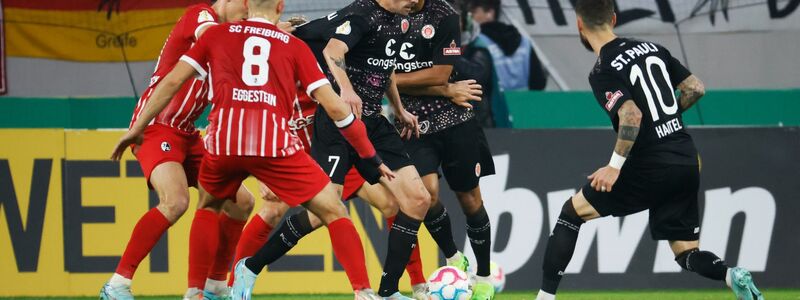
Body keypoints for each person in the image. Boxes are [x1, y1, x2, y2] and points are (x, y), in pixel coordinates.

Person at [109, 0, 397, 298]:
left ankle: (203, 289)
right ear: (280, 7)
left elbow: (172, 82)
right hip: (267, 142)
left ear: (248, 5)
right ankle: (363, 292)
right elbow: (337, 109)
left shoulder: (219, 36)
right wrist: (370, 156)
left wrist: (134, 129)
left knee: (220, 205)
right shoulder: (270, 38)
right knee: (334, 211)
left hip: (221, 141)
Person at [534, 1, 763, 300]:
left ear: (579, 24)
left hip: (652, 163)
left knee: (571, 213)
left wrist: (614, 166)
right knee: (685, 252)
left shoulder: (603, 69)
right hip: (685, 157)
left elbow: (631, 115)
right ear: (613, 19)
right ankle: (731, 275)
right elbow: (695, 88)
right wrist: (666, 118)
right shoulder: (653, 48)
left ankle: (544, 298)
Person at [228, 16, 433, 300]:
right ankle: (236, 279)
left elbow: (365, 76)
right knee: (279, 210)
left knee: (390, 203)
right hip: (299, 150)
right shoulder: (267, 71)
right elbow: (257, 115)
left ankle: (412, 286)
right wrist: (265, 170)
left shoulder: (317, 56)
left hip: (336, 142)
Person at [99, 1, 256, 299]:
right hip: (155, 126)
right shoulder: (201, 15)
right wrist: (270, 33)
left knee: (242, 202)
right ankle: (117, 284)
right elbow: (218, 39)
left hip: (187, 133)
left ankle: (215, 286)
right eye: (244, 2)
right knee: (175, 201)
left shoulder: (233, 38)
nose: (248, 9)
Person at [393, 0, 496, 299]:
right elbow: (440, 83)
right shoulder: (383, 14)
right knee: (424, 196)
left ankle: (485, 276)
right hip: (413, 123)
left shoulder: (445, 16)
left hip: (456, 122)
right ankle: (453, 256)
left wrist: (388, 81)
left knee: (470, 199)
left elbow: (439, 74)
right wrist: (444, 88)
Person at [468, 0, 547, 91]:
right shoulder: (523, 41)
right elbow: (539, 82)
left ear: (490, 13)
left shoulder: (477, 42)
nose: (469, 17)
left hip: (495, 103)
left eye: (473, 12)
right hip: (523, 102)